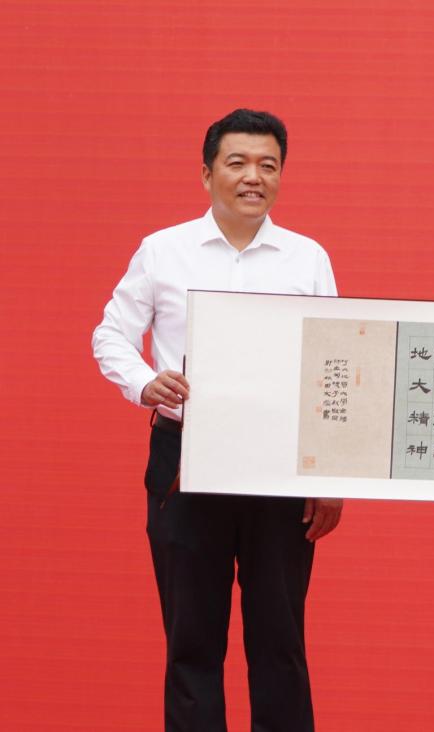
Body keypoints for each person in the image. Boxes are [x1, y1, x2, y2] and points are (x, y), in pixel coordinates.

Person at [92, 109, 343, 732]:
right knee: (192, 641)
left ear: (281, 176)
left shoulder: (306, 258)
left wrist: (330, 474)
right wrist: (145, 382)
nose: (253, 176)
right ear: (207, 174)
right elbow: (111, 334)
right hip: (185, 457)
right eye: (237, 163)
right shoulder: (163, 250)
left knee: (280, 640)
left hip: (279, 465)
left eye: (268, 165)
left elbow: (334, 364)